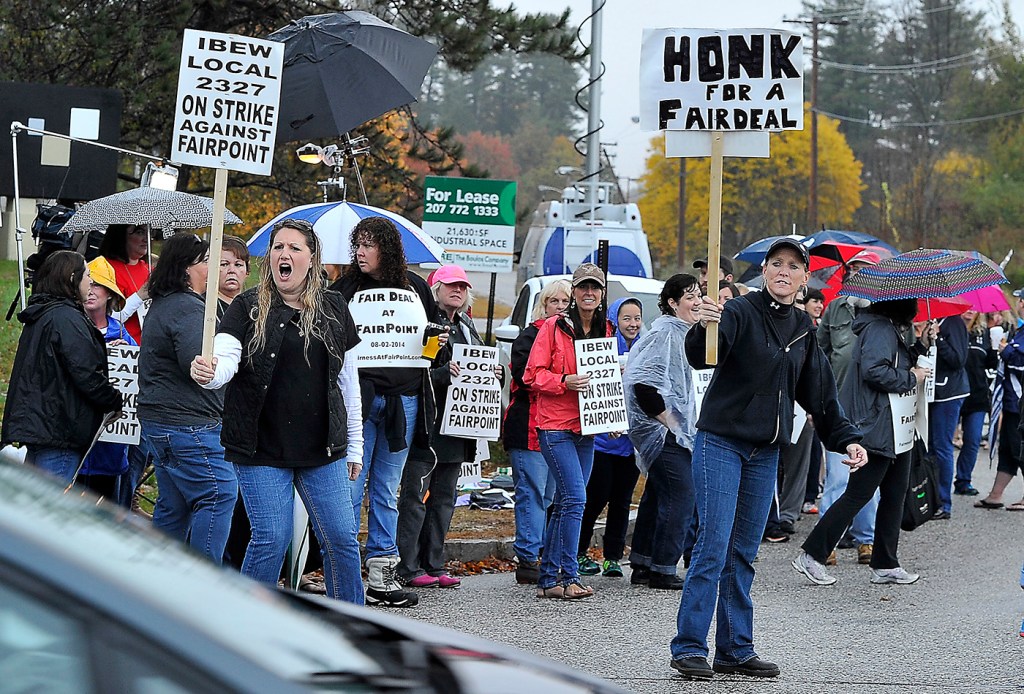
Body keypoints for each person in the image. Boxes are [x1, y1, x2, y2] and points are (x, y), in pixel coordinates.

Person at [670, 239, 866, 681]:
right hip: (721, 442)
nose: (784, 271)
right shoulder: (738, 311)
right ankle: (687, 647)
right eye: (776, 264)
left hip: (766, 451)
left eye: (793, 266)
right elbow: (703, 359)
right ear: (764, 272)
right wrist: (704, 328)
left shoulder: (802, 327)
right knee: (713, 545)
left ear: (804, 277)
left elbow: (820, 394)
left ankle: (736, 648)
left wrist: (847, 439)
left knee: (743, 552)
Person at [192, 218, 365, 604]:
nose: (283, 254)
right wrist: (208, 373)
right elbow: (224, 362)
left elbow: (349, 384)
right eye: (277, 247)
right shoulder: (247, 306)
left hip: (322, 447)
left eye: (294, 248)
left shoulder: (335, 307)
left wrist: (355, 445)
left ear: (312, 258)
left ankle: (354, 625)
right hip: (261, 446)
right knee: (272, 536)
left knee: (341, 536)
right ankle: (249, 626)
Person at [332, 216, 440, 608]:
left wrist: (433, 342)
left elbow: (430, 349)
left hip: (404, 400)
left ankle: (382, 574)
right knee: (349, 488)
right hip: (356, 399)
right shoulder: (344, 288)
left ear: (387, 249)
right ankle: (341, 572)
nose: (360, 252)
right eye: (357, 244)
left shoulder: (418, 289)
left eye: (368, 244)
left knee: (386, 491)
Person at [794, 298, 931, 587]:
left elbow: (894, 362)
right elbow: (875, 371)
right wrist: (911, 377)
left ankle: (886, 562)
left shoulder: (888, 328)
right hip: (877, 424)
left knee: (894, 495)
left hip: (895, 426)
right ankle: (812, 554)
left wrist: (921, 345)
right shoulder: (880, 329)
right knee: (858, 494)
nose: (917, 308)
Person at [138, 233, 237, 564]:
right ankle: (203, 589)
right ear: (186, 268)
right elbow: (198, 364)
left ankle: (158, 584)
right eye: (209, 261)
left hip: (165, 422)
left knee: (174, 504)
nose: (214, 269)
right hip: (188, 425)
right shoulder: (188, 308)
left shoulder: (166, 303)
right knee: (219, 492)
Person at [398, 265, 497, 590]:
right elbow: (418, 371)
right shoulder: (428, 326)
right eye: (451, 285)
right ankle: (408, 566)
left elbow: (481, 363)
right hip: (428, 428)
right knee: (415, 498)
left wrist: (493, 375)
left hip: (457, 429)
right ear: (435, 288)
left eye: (463, 286)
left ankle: (434, 563)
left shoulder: (467, 325)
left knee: (444, 500)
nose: (458, 291)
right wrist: (443, 373)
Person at [524, 263, 613, 600]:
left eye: (595, 287)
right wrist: (564, 382)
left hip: (587, 428)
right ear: (573, 292)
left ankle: (549, 579)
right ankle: (570, 574)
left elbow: (607, 380)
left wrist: (611, 418)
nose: (589, 293)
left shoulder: (606, 328)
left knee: (565, 502)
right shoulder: (552, 328)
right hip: (555, 426)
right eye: (582, 287)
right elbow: (532, 375)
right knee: (576, 498)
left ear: (602, 293)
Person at [2, 251, 123, 483]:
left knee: (36, 505)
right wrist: (113, 400)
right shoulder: (67, 318)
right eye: (88, 275)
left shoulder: (44, 315)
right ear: (71, 279)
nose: (90, 282)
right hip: (60, 431)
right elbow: (87, 374)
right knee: (48, 510)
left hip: (41, 427)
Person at [622, 274, 701, 590]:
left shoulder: (685, 333)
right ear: (672, 302)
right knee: (683, 494)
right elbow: (644, 386)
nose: (697, 302)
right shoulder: (666, 336)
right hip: (660, 431)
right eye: (690, 296)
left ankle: (643, 563)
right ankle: (664, 568)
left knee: (657, 495)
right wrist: (671, 422)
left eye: (699, 295)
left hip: (671, 431)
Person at [815, 249, 881, 564]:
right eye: (853, 268)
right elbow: (819, 355)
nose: (856, 273)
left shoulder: (887, 313)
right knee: (837, 479)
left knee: (868, 477)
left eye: (864, 269)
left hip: (874, 410)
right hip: (837, 408)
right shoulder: (835, 309)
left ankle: (866, 540)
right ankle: (827, 542)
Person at [503, 280, 568, 584]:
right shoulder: (528, 337)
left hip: (559, 427)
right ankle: (528, 557)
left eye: (565, 302)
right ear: (544, 305)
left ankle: (546, 553)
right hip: (528, 425)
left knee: (552, 494)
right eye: (554, 301)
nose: (560, 307)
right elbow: (525, 377)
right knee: (532, 493)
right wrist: (565, 379)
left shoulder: (574, 339)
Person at [578, 297, 644, 579]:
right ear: (615, 320)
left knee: (622, 501)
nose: (633, 324)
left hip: (631, 443)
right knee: (594, 498)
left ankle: (613, 558)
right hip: (603, 441)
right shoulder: (603, 346)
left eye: (637, 318)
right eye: (627, 318)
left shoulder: (645, 348)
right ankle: (579, 552)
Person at [78, 256, 135, 498]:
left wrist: (127, 355)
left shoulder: (124, 337)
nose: (91, 291)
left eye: (98, 285)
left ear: (110, 293)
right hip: (76, 446)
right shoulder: (71, 329)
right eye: (87, 284)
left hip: (109, 452)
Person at [975, 309, 1024, 511]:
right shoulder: (1019, 330)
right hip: (1011, 400)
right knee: (1007, 448)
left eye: (1021, 300)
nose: (1020, 304)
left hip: (1020, 402)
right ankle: (995, 495)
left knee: (1018, 448)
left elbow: (1020, 362)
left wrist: (1006, 351)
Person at [929, 314, 969, 519]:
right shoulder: (931, 320)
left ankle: (944, 503)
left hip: (949, 393)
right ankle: (930, 498)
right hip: (930, 392)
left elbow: (958, 359)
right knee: (929, 447)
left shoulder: (953, 323)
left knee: (941, 445)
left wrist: (938, 338)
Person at [954, 310, 997, 496]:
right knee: (943, 442)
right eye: (966, 306)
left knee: (972, 440)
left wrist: (996, 349)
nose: (970, 310)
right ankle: (937, 482)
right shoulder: (949, 329)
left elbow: (992, 365)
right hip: (952, 393)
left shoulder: (984, 334)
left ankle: (964, 480)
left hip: (977, 395)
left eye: (974, 307)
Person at [98, 223, 152, 344]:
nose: (146, 238)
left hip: (149, 346)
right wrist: (139, 296)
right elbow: (109, 317)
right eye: (139, 232)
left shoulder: (150, 270)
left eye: (147, 232)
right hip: (122, 346)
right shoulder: (105, 268)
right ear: (121, 236)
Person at [215, 235, 250, 318]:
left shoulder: (255, 306)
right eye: (224, 264)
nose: (232, 270)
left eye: (238, 265)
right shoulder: (203, 307)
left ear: (247, 271)